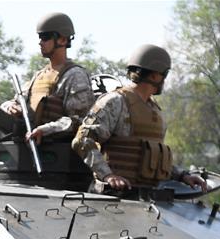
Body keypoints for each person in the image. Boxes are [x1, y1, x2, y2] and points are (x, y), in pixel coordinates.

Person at [72, 44, 207, 194]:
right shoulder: (115, 102)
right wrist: (108, 175)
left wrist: (182, 176)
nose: (164, 80)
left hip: (148, 199)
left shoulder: (155, 111)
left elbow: (153, 158)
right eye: (165, 74)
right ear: (155, 75)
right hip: (113, 197)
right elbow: (82, 140)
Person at [1, 12, 94, 143]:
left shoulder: (75, 75)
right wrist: (9, 107)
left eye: (45, 37)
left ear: (63, 39)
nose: (40, 42)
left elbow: (80, 120)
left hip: (59, 153)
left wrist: (45, 130)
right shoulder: (39, 76)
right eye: (40, 37)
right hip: (31, 146)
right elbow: (14, 102)